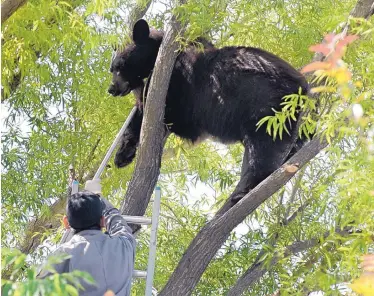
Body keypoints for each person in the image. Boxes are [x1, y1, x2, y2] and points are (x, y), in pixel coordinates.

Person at [37, 185, 136, 296]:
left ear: (65, 222)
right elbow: (118, 223)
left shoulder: (60, 256)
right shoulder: (123, 246)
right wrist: (100, 198)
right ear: (102, 221)